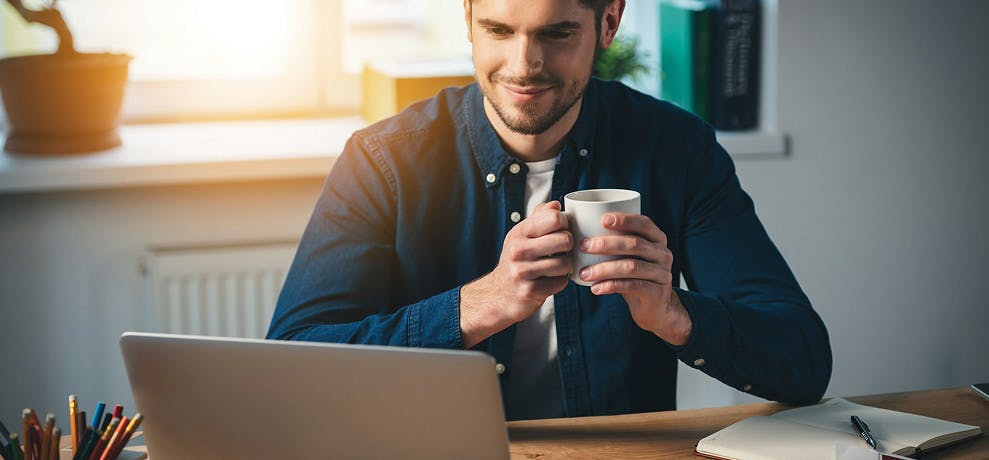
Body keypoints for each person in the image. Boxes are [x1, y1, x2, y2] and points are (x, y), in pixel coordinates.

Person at [267, 0, 832, 420]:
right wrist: (478, 305)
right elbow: (291, 370)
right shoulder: (382, 161)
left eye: (557, 33)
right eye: (497, 30)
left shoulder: (676, 150)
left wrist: (675, 316)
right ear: (467, 18)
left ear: (608, 22)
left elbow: (803, 362)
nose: (524, 65)